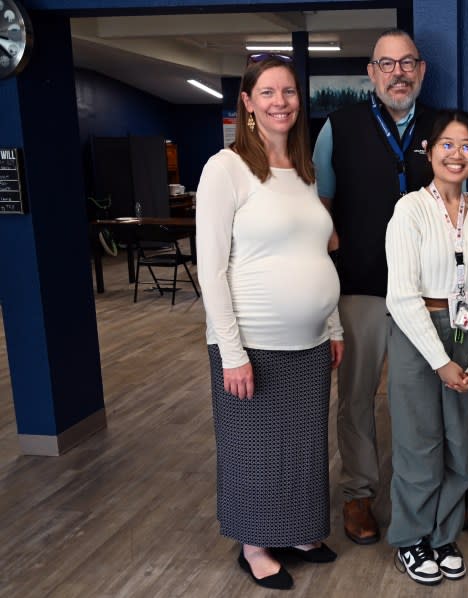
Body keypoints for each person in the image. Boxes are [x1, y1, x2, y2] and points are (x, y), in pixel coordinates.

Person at [196, 54, 345, 591]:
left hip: (308, 342)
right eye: (267, 92)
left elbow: (317, 254)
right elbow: (210, 270)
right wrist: (231, 352)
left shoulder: (302, 172)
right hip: (252, 341)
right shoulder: (225, 168)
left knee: (304, 446)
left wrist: (334, 326)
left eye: (288, 92)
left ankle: (300, 530)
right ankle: (255, 544)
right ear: (247, 102)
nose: (280, 101)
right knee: (254, 450)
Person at [311, 28, 436, 545]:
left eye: (407, 63)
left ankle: (418, 496)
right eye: (387, 64)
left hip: (427, 293)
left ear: (421, 70)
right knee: (356, 400)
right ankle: (358, 494)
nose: (397, 73)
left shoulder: (443, 127)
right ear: (371, 72)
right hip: (359, 286)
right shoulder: (338, 127)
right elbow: (320, 209)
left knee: (419, 402)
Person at [384, 110, 468, 586]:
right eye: (446, 145)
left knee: (457, 442)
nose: (456, 154)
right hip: (417, 333)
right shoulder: (409, 209)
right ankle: (411, 538)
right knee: (418, 441)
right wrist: (440, 362)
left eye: (467, 145)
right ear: (428, 152)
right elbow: (401, 296)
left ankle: (443, 533)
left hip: (463, 329)